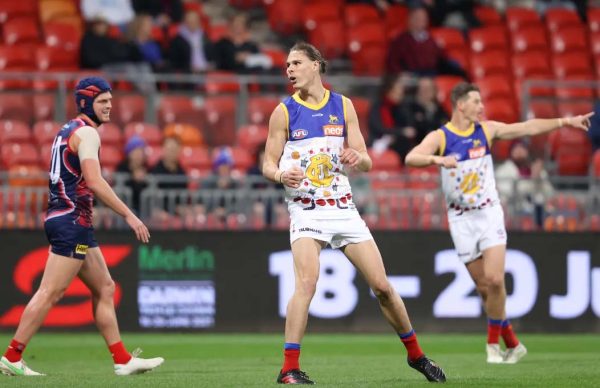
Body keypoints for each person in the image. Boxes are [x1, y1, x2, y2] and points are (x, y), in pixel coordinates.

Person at [262, 42, 446, 384]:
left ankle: (416, 356)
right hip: (307, 209)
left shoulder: (343, 106)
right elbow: (267, 163)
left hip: (343, 208)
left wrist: (355, 158)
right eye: (287, 64)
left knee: (383, 288)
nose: (289, 69)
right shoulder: (283, 112)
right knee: (306, 283)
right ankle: (289, 368)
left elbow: (366, 158)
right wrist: (278, 174)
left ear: (316, 65)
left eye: (296, 63)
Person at [405, 82, 592, 363]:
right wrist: (437, 159)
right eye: (476, 101)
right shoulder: (440, 136)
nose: (481, 107)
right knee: (484, 288)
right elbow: (411, 158)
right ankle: (513, 343)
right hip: (460, 218)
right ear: (460, 105)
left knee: (494, 279)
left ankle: (493, 346)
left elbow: (527, 128)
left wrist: (566, 121)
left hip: (489, 212)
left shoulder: (486, 131)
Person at [0, 77, 164, 376]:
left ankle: (122, 360)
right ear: (87, 102)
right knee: (50, 291)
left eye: (111, 101)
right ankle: (12, 356)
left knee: (105, 287)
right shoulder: (88, 133)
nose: (109, 106)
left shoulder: (67, 130)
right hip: (72, 220)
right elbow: (94, 180)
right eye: (103, 101)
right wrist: (130, 215)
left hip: (71, 220)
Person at [386, 7, 466, 77]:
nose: (422, 21)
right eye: (418, 18)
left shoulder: (430, 39)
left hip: (432, 72)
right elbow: (393, 62)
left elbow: (440, 57)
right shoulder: (401, 40)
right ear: (410, 20)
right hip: (413, 74)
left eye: (424, 18)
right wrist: (401, 74)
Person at [367, 74, 415, 160]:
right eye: (397, 91)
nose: (400, 94)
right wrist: (399, 132)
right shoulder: (378, 106)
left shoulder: (403, 108)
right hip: (379, 140)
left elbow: (409, 128)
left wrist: (399, 134)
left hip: (398, 142)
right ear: (388, 91)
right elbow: (378, 128)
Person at [116, 135, 149, 215]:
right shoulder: (121, 168)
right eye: (135, 151)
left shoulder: (147, 169)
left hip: (143, 210)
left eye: (141, 151)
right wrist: (132, 178)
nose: (138, 154)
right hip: (124, 209)